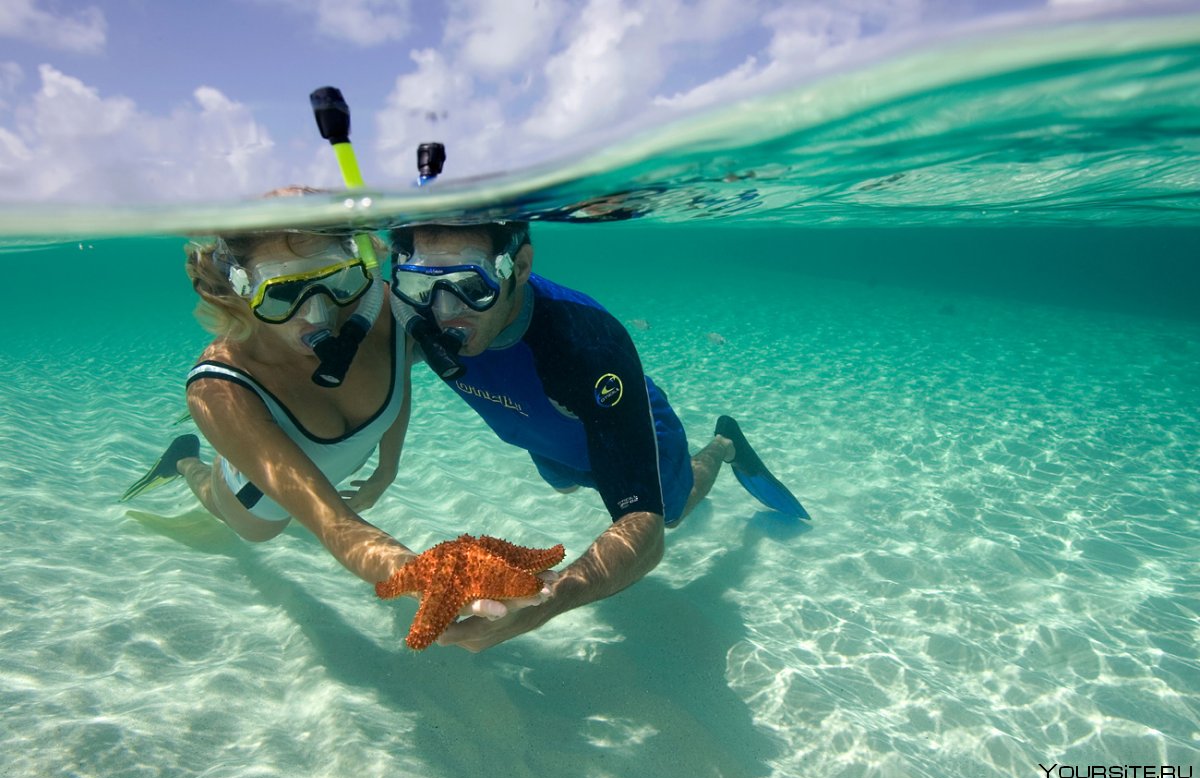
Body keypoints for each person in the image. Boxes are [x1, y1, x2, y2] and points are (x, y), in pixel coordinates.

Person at [389, 221, 808, 651]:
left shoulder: (585, 346)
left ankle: (724, 445)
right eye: (422, 285)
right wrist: (385, 467)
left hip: (624, 428)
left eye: (469, 285)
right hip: (545, 437)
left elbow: (643, 531)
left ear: (519, 266)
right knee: (566, 485)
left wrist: (543, 606)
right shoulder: (412, 312)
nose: (443, 311)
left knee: (670, 513)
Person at [120, 222, 421, 587]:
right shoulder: (217, 386)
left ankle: (248, 430)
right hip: (256, 504)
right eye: (283, 293)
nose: (317, 313)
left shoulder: (381, 310)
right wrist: (428, 579)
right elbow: (333, 522)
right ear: (241, 289)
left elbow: (397, 380)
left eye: (335, 279)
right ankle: (184, 461)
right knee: (239, 517)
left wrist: (387, 470)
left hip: (327, 471)